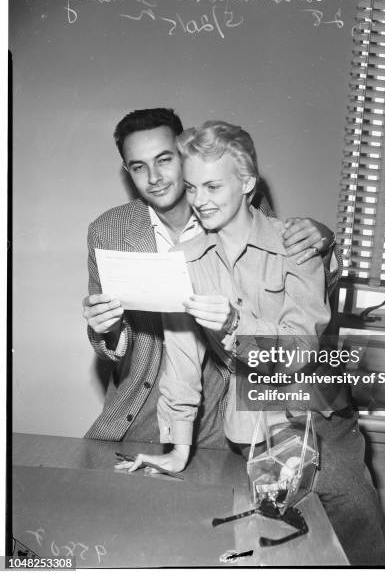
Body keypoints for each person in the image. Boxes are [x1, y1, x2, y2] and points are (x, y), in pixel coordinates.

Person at [120, 121, 385, 565]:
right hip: (252, 425)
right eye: (191, 188)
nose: (199, 200)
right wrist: (179, 446)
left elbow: (299, 351)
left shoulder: (297, 246)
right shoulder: (183, 261)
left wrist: (234, 326)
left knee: (360, 542)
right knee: (279, 549)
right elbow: (183, 358)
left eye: (212, 185)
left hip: (320, 419)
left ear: (247, 183)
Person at [82, 108, 340, 445]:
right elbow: (109, 345)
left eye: (164, 160)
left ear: (185, 156)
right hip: (144, 404)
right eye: (138, 167)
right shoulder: (109, 231)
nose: (154, 177)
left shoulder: (245, 209)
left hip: (232, 407)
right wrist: (107, 329)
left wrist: (324, 239)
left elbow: (293, 310)